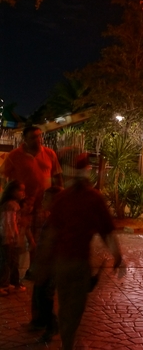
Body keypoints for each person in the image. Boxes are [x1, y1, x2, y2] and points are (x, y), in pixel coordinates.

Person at [47, 153, 123, 349]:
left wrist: (43, 262)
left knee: (64, 303)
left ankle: (67, 338)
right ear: (88, 173)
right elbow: (107, 231)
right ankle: (68, 342)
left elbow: (51, 232)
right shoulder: (93, 198)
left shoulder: (62, 198)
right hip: (79, 262)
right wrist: (117, 256)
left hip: (61, 261)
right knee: (76, 306)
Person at [1, 126, 63, 276]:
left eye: (39, 136)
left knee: (40, 238)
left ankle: (34, 270)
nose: (38, 140)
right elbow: (3, 176)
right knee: (18, 241)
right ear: (25, 139)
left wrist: (60, 195)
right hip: (22, 207)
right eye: (33, 137)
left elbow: (57, 177)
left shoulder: (49, 154)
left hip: (44, 205)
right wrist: (9, 195)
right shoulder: (15, 156)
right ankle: (10, 275)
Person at [28, 186, 63, 342]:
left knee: (44, 297)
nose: (43, 201)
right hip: (45, 265)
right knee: (40, 295)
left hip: (51, 267)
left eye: (46, 198)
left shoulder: (58, 220)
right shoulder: (51, 217)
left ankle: (52, 325)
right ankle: (43, 322)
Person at [0, 180, 27, 295]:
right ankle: (3, 284)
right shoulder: (11, 205)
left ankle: (10, 283)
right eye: (20, 190)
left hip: (9, 238)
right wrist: (12, 237)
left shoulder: (11, 204)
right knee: (7, 261)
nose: (22, 193)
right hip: (8, 238)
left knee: (10, 261)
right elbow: (9, 223)